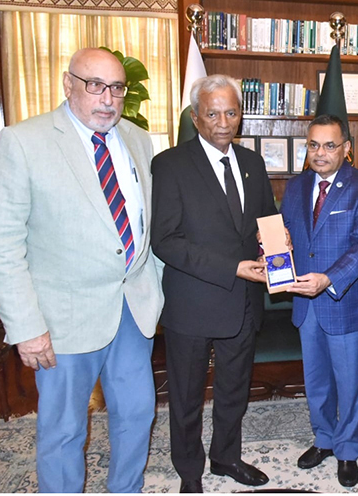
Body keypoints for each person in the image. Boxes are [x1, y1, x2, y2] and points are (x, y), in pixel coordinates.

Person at [0, 48, 164, 493]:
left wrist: (155, 288)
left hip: (132, 309)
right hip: (61, 322)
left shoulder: (139, 139)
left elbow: (148, 224)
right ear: (68, 84)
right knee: (63, 432)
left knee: (137, 414)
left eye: (116, 88)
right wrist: (26, 327)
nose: (108, 99)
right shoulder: (22, 142)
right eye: (94, 85)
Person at [151, 74, 277, 493]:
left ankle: (226, 458)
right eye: (212, 113)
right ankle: (190, 472)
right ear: (196, 116)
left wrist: (276, 242)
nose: (223, 121)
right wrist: (233, 267)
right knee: (186, 397)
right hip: (193, 303)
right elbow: (166, 241)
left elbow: (266, 220)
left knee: (233, 390)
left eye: (231, 112)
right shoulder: (169, 164)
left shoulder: (252, 163)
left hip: (243, 303)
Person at [278, 114, 358, 487]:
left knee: (349, 382)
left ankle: (348, 450)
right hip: (306, 305)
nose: (320, 153)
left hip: (345, 302)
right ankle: (323, 439)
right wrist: (274, 244)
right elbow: (286, 232)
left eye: (329, 145)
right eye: (313, 145)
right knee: (317, 381)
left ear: (346, 149)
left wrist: (329, 279)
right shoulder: (295, 186)